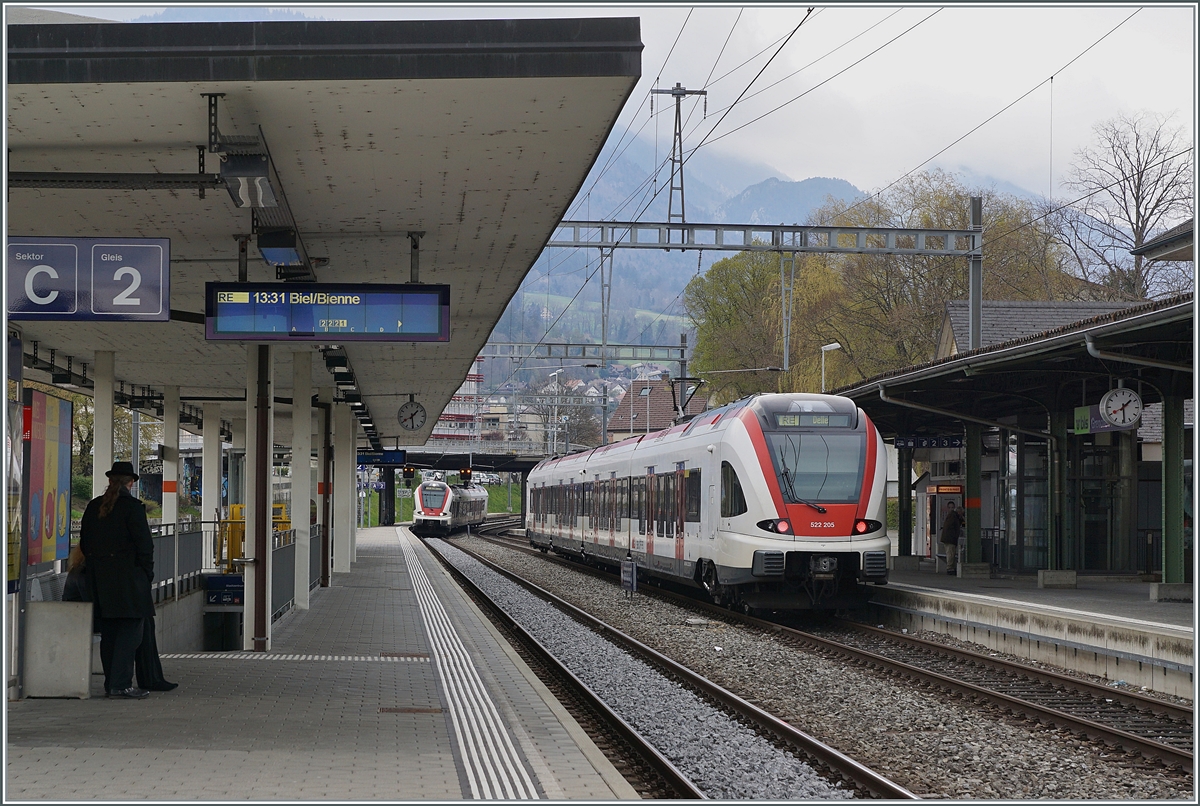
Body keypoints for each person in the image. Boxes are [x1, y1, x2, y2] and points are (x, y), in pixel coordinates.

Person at [79, 461, 154, 699]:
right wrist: (146, 574)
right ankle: (121, 685)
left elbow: (84, 543)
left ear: (110, 481)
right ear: (130, 483)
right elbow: (145, 546)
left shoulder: (93, 507)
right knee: (131, 632)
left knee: (109, 632)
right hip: (130, 580)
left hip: (100, 580)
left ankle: (111, 683)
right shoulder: (133, 508)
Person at [940, 501, 964, 575]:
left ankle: (951, 568)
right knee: (950, 554)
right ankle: (950, 569)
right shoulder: (953, 516)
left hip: (948, 538)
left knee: (950, 554)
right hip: (950, 539)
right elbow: (953, 527)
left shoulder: (952, 516)